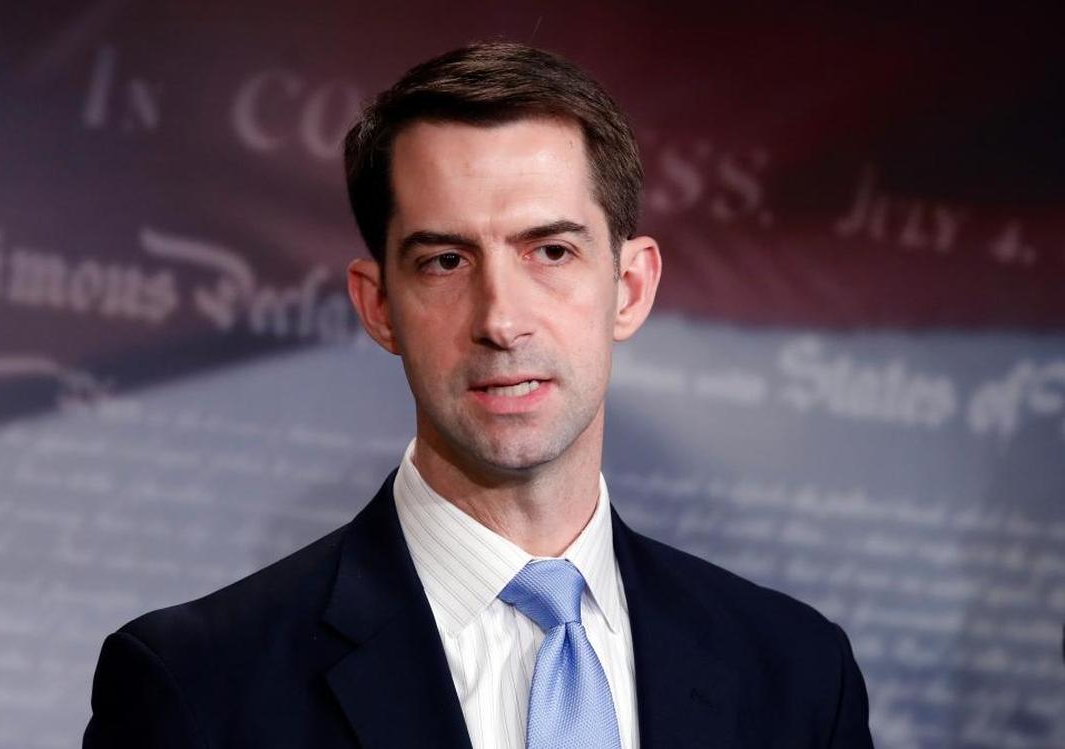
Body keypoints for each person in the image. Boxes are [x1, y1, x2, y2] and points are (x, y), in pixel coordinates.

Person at [84, 41, 874, 748]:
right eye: (444, 262)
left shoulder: (798, 676)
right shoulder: (195, 689)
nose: (500, 320)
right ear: (378, 305)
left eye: (552, 251)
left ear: (629, 287)